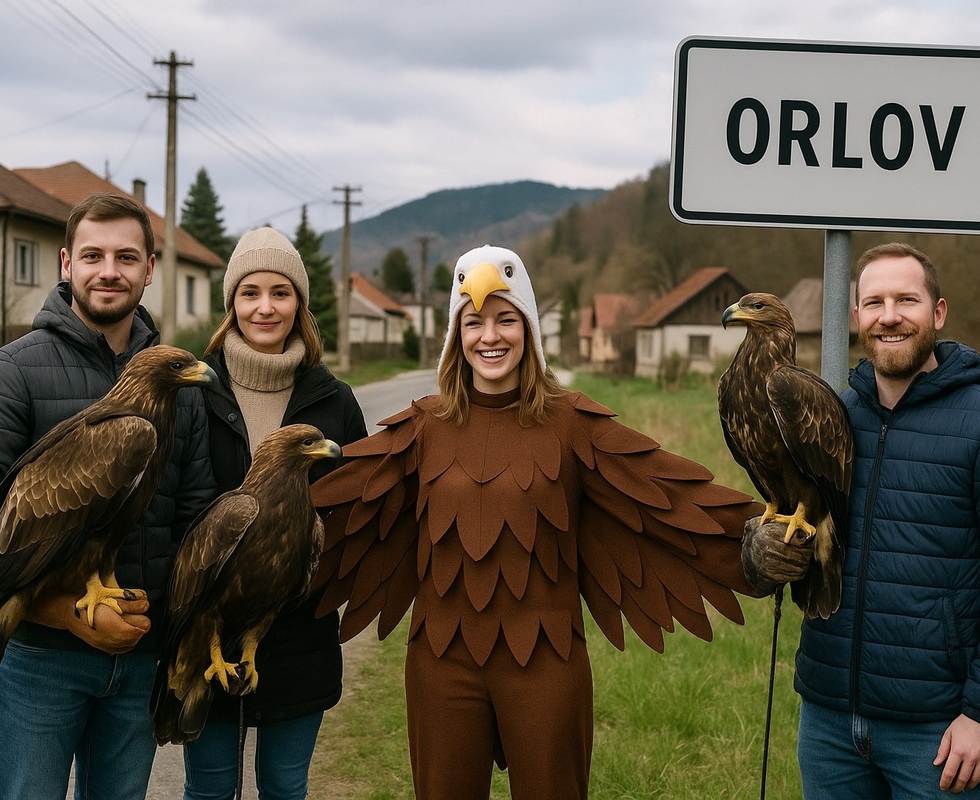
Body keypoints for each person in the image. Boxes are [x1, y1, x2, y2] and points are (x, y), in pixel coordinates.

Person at [307, 244, 762, 799]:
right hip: (441, 661)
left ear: (528, 329)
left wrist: (759, 535)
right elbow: (342, 512)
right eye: (473, 323)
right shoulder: (422, 427)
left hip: (547, 658)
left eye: (506, 320)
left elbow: (663, 496)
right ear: (456, 336)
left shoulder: (572, 423)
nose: (490, 337)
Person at [0, 192, 216, 800]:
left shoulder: (178, 385)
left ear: (148, 268)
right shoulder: (13, 370)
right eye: (93, 255)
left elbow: (194, 518)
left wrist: (178, 630)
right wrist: (65, 613)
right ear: (67, 264)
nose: (108, 270)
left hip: (141, 650)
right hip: (46, 655)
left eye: (126, 256)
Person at [792, 242, 980, 797]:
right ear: (856, 318)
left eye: (906, 300)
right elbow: (804, 536)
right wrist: (765, 548)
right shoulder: (830, 422)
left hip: (938, 734)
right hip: (827, 723)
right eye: (874, 302)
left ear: (937, 313)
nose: (889, 315)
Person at [182, 226, 367, 800]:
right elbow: (169, 510)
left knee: (286, 788)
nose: (265, 307)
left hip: (300, 636)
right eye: (250, 292)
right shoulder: (193, 389)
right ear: (231, 303)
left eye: (281, 292)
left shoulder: (334, 400)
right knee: (211, 789)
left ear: (300, 305)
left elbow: (360, 512)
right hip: (205, 626)